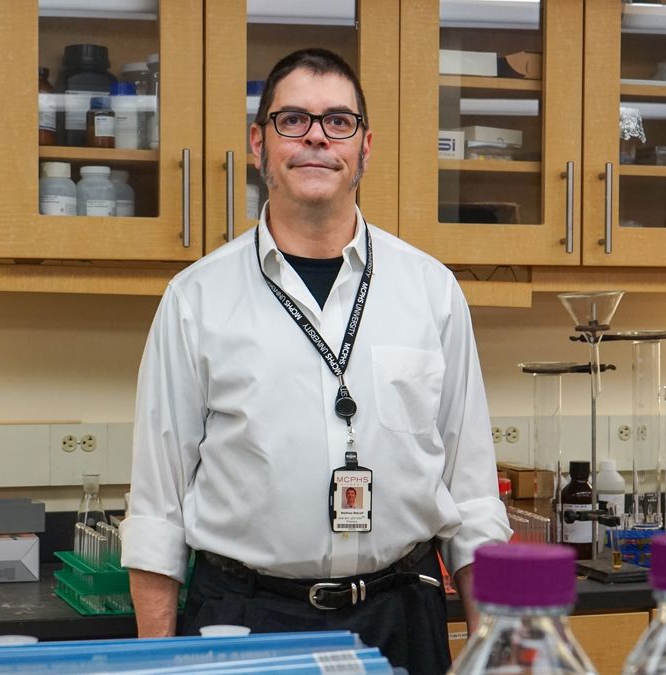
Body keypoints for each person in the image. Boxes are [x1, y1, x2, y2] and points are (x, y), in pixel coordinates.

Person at [121, 47, 509, 674]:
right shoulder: (196, 298)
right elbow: (158, 507)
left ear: (364, 144)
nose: (316, 139)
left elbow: (471, 493)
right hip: (244, 621)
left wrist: (497, 645)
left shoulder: (430, 290)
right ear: (259, 141)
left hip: (402, 616)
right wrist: (159, 660)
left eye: (338, 121)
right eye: (292, 120)